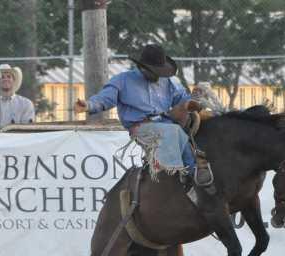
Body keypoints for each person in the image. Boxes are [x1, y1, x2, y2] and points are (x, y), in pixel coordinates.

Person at [74, 44, 209, 185]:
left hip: (166, 124)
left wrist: (193, 100)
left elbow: (182, 98)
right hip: (140, 126)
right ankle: (179, 173)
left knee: (181, 133)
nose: (158, 75)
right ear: (143, 67)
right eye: (155, 71)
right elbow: (104, 99)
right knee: (175, 131)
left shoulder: (167, 82)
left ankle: (192, 171)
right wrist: (88, 105)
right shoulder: (122, 80)